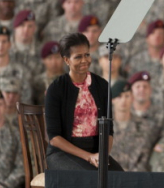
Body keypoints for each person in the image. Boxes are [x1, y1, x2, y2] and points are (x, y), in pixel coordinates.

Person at [44, 32, 123, 171]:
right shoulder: (56, 88)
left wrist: (102, 155)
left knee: (122, 179)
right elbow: (54, 138)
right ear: (66, 60)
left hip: (96, 152)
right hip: (63, 153)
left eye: (87, 54)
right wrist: (88, 157)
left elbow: (109, 131)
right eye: (78, 57)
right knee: (91, 177)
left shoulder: (102, 86)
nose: (84, 60)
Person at [110, 80, 154, 172]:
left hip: (135, 179)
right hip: (109, 177)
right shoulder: (104, 126)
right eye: (119, 96)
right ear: (112, 100)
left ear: (132, 98)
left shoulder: (143, 126)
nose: (123, 100)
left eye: (127, 96)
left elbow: (144, 158)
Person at [31, 41, 64, 105]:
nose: (54, 62)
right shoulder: (37, 83)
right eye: (49, 58)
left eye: (57, 57)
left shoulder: (72, 80)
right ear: (43, 60)